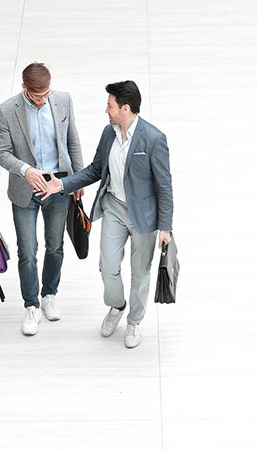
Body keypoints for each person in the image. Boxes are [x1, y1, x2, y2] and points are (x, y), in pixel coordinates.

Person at [38, 81, 173, 348]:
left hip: (143, 216)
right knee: (108, 266)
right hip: (113, 207)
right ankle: (117, 306)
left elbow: (164, 185)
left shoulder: (154, 139)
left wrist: (165, 228)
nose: (106, 110)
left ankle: (134, 320)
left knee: (140, 272)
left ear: (125, 107)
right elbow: (95, 169)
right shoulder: (108, 133)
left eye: (110, 105)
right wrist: (62, 185)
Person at [0, 62, 84, 336]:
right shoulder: (7, 110)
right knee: (27, 251)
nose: (43, 99)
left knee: (55, 246)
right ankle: (31, 305)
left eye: (46, 93)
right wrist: (26, 170)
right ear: (24, 88)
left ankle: (49, 295)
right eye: (37, 96)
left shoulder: (63, 100)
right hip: (25, 188)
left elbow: (73, 141)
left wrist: (77, 179)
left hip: (57, 185)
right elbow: (2, 152)